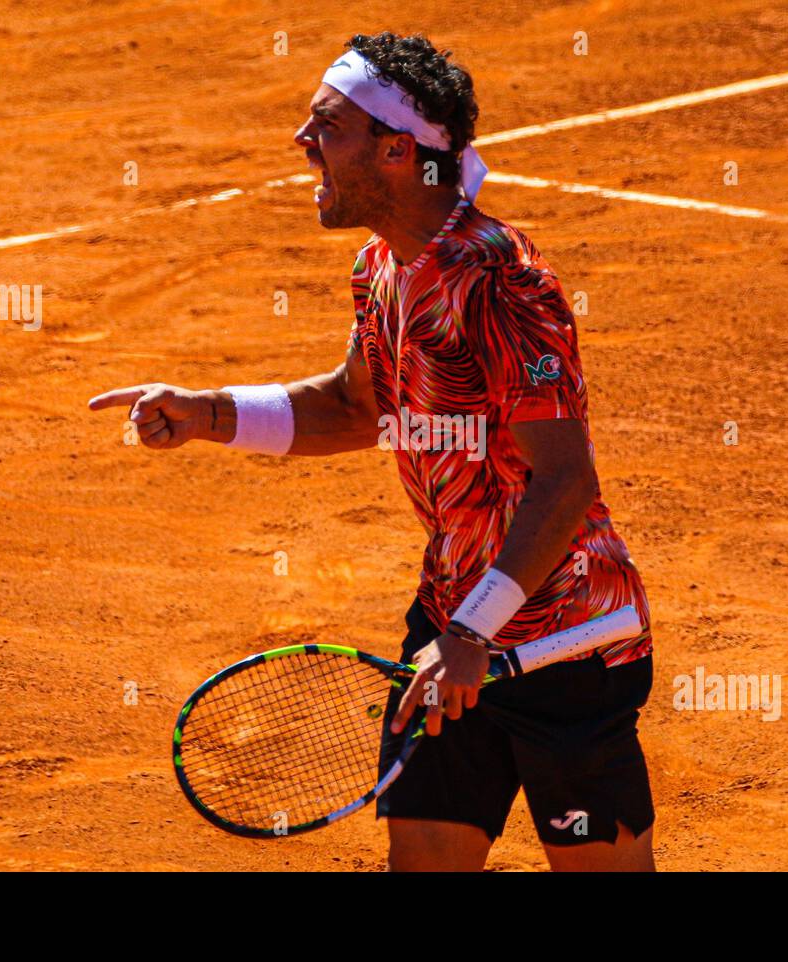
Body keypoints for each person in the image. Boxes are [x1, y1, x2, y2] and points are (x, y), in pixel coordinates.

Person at [89, 31, 656, 872]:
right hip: (451, 625)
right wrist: (208, 413)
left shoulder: (499, 279)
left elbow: (565, 481)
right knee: (422, 859)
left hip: (562, 637)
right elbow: (361, 407)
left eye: (328, 124)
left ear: (396, 151)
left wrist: (476, 629)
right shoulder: (382, 269)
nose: (302, 139)